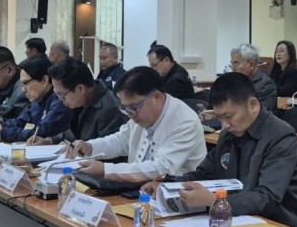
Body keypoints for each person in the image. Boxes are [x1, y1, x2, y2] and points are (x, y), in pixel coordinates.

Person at [142, 72, 297, 227]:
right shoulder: (229, 134)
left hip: (280, 225)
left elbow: (267, 198)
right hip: (236, 218)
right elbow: (204, 174)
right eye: (220, 117)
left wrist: (214, 201)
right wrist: (168, 185)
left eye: (229, 117)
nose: (224, 125)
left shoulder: (280, 136)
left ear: (253, 105)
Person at [65, 66, 206, 182]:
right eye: (125, 108)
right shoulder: (141, 115)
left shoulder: (185, 121)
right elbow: (121, 140)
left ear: (156, 97)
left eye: (133, 107)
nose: (130, 114)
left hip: (177, 195)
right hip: (138, 188)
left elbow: (162, 168)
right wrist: (90, 147)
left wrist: (106, 170)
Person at [28, 57, 125, 145]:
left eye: (61, 94)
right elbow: (76, 133)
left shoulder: (110, 109)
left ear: (80, 89)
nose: (60, 99)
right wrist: (50, 141)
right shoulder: (84, 100)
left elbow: (108, 151)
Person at [0, 56, 72, 142]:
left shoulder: (60, 100)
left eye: (26, 83)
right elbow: (20, 122)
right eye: (22, 84)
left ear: (44, 80)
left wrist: (1, 132)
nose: (23, 89)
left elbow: (39, 133)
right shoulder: (37, 100)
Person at [230, 43, 277, 111]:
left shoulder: (266, 85)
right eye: (232, 63)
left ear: (251, 64)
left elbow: (258, 112)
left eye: (236, 63)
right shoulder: (235, 82)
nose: (233, 68)